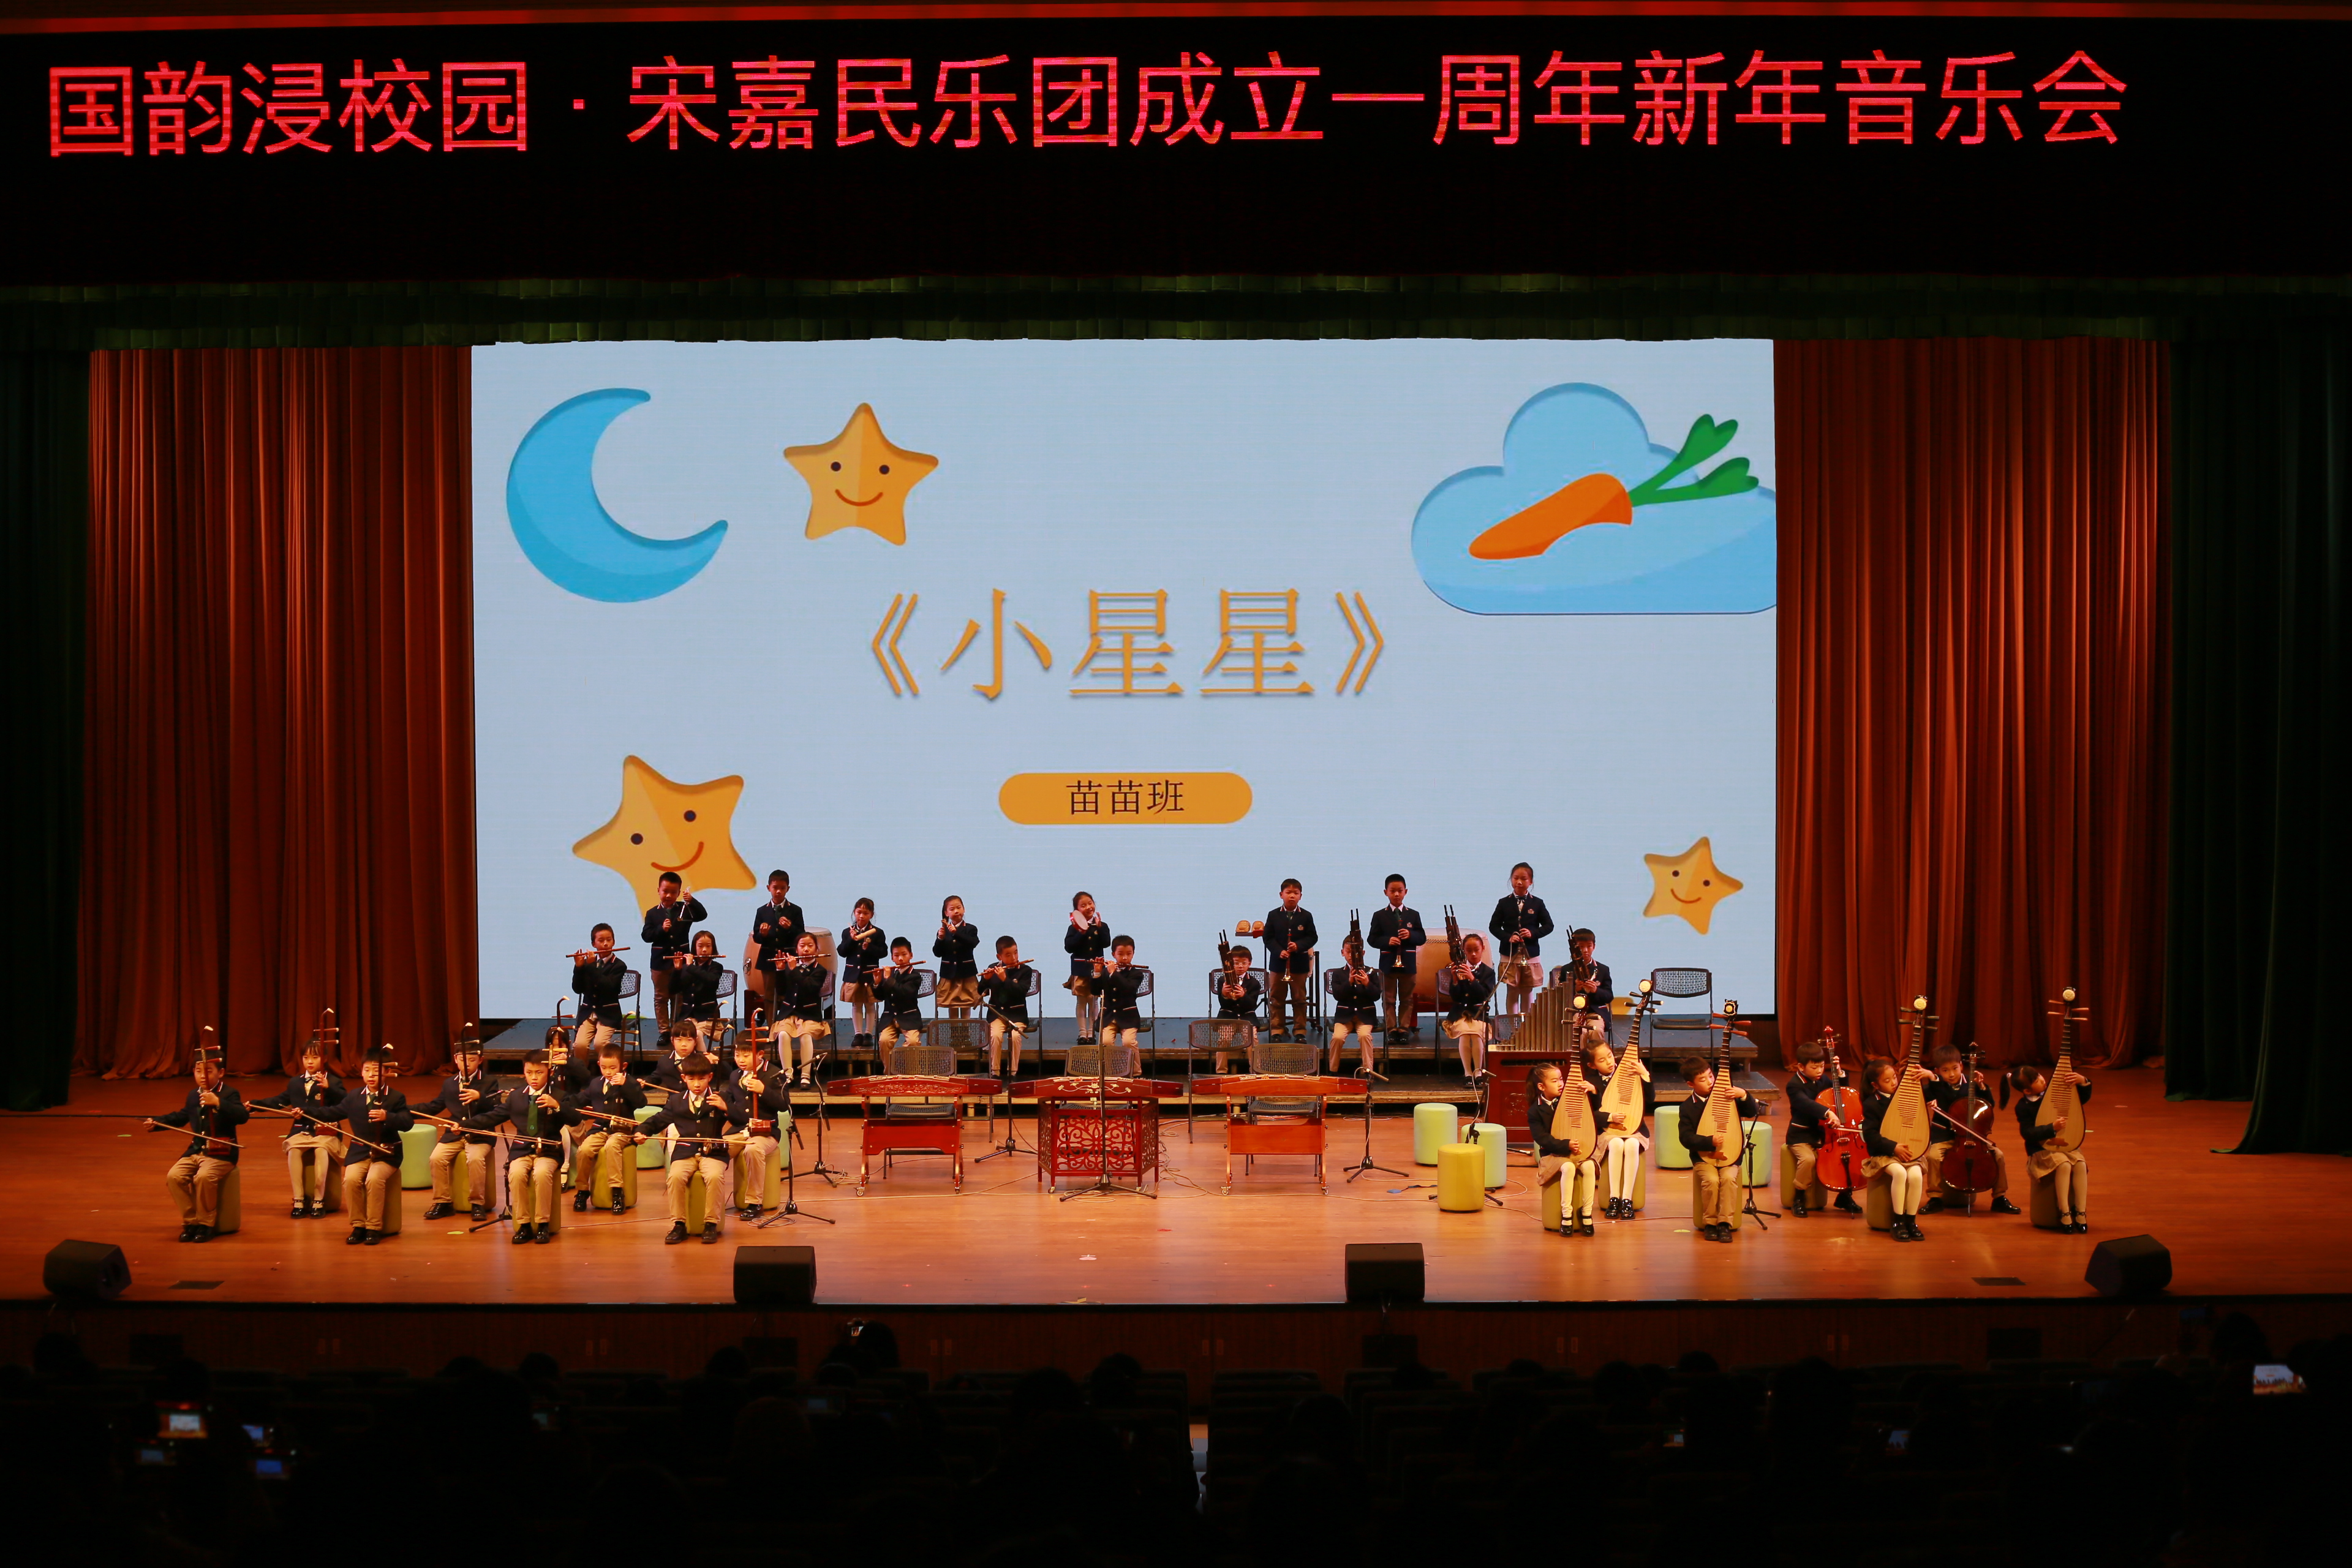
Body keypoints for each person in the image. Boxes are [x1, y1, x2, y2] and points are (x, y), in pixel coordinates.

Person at [474, 1050, 579, 1245]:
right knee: (516, 1174)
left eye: (539, 1073)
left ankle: (543, 1224)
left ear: (549, 1072)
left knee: (541, 1174)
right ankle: (523, 1225)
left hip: (548, 1152)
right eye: (529, 1072)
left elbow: (575, 1119)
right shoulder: (516, 1097)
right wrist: (463, 1125)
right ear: (524, 1072)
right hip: (522, 1151)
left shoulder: (559, 1095)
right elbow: (492, 1117)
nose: (534, 1078)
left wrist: (557, 1106)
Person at [156, 1052, 247, 1242]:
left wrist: (218, 1102)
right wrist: (157, 1123)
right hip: (196, 1150)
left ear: (221, 1073)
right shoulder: (193, 1095)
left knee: (204, 1177)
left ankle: (206, 1224)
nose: (202, 1076)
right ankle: (191, 1222)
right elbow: (182, 1116)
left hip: (221, 1153)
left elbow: (242, 1116)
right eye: (198, 1071)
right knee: (174, 1177)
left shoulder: (229, 1093)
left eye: (208, 1071)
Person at [641, 1052, 731, 1244]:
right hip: (685, 1151)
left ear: (710, 1077)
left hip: (713, 1152)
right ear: (684, 1078)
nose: (697, 1084)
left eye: (702, 1079)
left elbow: (741, 1119)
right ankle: (679, 1225)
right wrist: (641, 1130)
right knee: (674, 1177)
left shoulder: (720, 1098)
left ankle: (711, 1224)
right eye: (692, 1079)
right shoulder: (676, 1101)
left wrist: (726, 1108)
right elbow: (658, 1120)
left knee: (715, 1176)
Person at [1921, 1044, 2020, 1214]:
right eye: (1945, 1071)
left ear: (1961, 1065)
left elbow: (1989, 1106)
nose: (1951, 1074)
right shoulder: (1935, 1086)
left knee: (1998, 1155)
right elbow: (1938, 1097)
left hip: (1974, 1137)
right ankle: (1935, 1198)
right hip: (1944, 1135)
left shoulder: (1972, 1085)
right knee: (1933, 1157)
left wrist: (1982, 1088)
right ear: (1937, 1071)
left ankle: (1999, 1198)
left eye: (1955, 1068)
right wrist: (1933, 1080)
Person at [248, 1045, 344, 1218]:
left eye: (315, 1057)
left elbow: (345, 1104)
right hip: (302, 1131)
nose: (310, 1062)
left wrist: (329, 1087)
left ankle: (319, 1199)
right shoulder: (295, 1082)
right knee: (294, 1150)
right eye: (306, 1057)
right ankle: (299, 1199)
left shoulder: (334, 1081)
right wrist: (254, 1105)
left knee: (321, 1150)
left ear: (324, 1059)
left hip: (326, 1131)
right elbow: (279, 1101)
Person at [329, 1055, 412, 1246]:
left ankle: (373, 1227)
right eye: (367, 1070)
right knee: (351, 1179)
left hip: (387, 1153)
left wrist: (387, 1116)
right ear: (361, 1073)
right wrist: (305, 1113)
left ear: (387, 1073)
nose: (371, 1075)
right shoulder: (354, 1096)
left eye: (377, 1071)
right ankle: (358, 1225)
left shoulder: (396, 1097)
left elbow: (407, 1123)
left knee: (374, 1179)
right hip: (360, 1152)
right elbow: (332, 1112)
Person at [1678, 1054, 1761, 1243]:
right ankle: (1710, 1223)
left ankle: (1725, 1224)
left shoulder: (1728, 1096)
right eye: (1703, 1079)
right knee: (1711, 1180)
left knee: (1729, 1179)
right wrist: (1709, 1141)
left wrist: (1743, 1095)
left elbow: (1752, 1112)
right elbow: (1686, 1138)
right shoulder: (1688, 1107)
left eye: (1711, 1076)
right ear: (1691, 1084)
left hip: (1731, 1155)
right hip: (1703, 1158)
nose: (1710, 1081)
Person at [415, 1040, 497, 1223]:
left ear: (481, 1060)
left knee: (475, 1159)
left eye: (472, 1060)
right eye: (462, 1059)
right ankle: (443, 1202)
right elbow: (434, 1106)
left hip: (480, 1134)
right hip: (454, 1133)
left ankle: (477, 1203)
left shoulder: (489, 1081)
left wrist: (480, 1097)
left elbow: (497, 1107)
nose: (467, 1064)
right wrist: (405, 1110)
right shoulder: (449, 1083)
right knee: (436, 1159)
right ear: (455, 1059)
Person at [1861, 1055, 1936, 1242]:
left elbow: (1933, 1094)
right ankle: (1898, 1221)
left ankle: (1911, 1221)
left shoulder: (1905, 1096)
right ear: (1875, 1085)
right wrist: (1894, 1147)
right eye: (1887, 1081)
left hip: (1909, 1152)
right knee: (1900, 1174)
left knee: (1916, 1176)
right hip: (1885, 1154)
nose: (1894, 1082)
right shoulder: (1871, 1104)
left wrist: (1932, 1077)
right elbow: (1870, 1136)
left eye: (1894, 1077)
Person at [2014, 1061, 2092, 1232]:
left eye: (2039, 1075)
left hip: (2065, 1144)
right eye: (2036, 1080)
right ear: (2027, 1091)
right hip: (2041, 1150)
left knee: (2080, 1164)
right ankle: (2064, 1212)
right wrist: (2052, 1128)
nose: (2042, 1080)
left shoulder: (2054, 1093)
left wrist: (2083, 1081)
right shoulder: (2023, 1106)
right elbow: (2028, 1133)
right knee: (2063, 1165)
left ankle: (2081, 1211)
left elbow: (2081, 1100)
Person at [572, 1041, 648, 1213]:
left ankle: (617, 1192)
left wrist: (626, 1085)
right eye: (604, 1067)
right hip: (600, 1129)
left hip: (623, 1130)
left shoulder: (630, 1082)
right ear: (599, 1064)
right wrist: (559, 1103)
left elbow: (641, 1103)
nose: (608, 1072)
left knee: (612, 1146)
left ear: (623, 1066)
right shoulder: (596, 1084)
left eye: (613, 1068)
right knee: (584, 1150)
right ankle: (582, 1190)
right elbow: (579, 1100)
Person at [723, 1033, 790, 1219]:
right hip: (740, 1130)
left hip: (766, 1132)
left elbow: (785, 1105)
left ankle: (755, 1203)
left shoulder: (775, 1074)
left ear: (760, 1054)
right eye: (737, 1055)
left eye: (746, 1056)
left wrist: (763, 1090)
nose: (740, 1060)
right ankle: (712, 1201)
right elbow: (730, 1102)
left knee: (753, 1150)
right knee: (714, 1150)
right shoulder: (735, 1075)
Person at [1526, 1061, 1596, 1237]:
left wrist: (1593, 1092)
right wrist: (1565, 1145)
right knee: (1568, 1167)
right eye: (1555, 1081)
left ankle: (1586, 1213)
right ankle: (1567, 1214)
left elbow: (1592, 1114)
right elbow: (1542, 1138)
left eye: (1561, 1079)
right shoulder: (1535, 1111)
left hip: (1576, 1151)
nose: (1560, 1084)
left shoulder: (1569, 1101)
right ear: (1541, 1087)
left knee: (1590, 1166)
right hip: (1552, 1155)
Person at [1590, 1038, 1653, 1218]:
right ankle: (1614, 1198)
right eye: (1602, 1060)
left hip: (1635, 1129)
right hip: (1608, 1131)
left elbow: (1649, 1100)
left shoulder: (1630, 1073)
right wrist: (1609, 1117)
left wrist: (1645, 1075)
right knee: (1617, 1144)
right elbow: (1590, 1114)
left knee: (1632, 1144)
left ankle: (1627, 1200)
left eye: (1610, 1056)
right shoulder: (1591, 1082)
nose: (1609, 1062)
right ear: (1592, 1065)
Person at [641, 872, 707, 1035]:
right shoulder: (652, 913)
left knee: (679, 997)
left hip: (681, 961)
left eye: (673, 892)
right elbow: (646, 936)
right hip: (660, 963)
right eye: (665, 891)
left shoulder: (685, 909)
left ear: (679, 893)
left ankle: (677, 1029)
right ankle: (664, 1031)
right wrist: (661, 929)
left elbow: (702, 915)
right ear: (658, 890)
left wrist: (692, 901)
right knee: (661, 997)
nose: (669, 896)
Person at [1781, 1040, 1840, 1219]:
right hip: (1801, 1135)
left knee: (1842, 1156)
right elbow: (1806, 1104)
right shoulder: (1794, 1085)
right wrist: (1828, 1112)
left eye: (1822, 1066)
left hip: (1823, 1134)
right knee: (1808, 1159)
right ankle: (1799, 1197)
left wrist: (1840, 1074)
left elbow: (1837, 1091)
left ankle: (1845, 1196)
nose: (1820, 1071)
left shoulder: (1823, 1079)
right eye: (1815, 1068)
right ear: (1801, 1067)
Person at [1487, 862, 1555, 1016]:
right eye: (1515, 878)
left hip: (1530, 954)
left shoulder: (1537, 903)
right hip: (1509, 953)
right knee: (1512, 989)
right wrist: (1508, 937)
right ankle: (1512, 1024)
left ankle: (1527, 1025)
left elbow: (1549, 926)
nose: (1519, 882)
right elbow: (1494, 927)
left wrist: (1533, 933)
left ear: (1530, 882)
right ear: (1511, 879)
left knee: (1527, 990)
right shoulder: (1503, 903)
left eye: (1524, 879)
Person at [742, 870, 805, 1027]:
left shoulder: (795, 910)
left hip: (788, 959)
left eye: (782, 888)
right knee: (770, 995)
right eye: (775, 888)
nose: (778, 891)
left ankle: (788, 1026)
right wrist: (762, 934)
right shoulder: (762, 911)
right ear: (768, 888)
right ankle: (772, 1027)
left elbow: (801, 936)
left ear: (788, 889)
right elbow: (757, 937)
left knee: (788, 993)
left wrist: (790, 928)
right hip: (768, 959)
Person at [1366, 875, 1422, 1044]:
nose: (1397, 894)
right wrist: (1387, 941)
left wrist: (1410, 935)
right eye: (1393, 891)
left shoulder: (1413, 914)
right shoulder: (1379, 915)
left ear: (1406, 892)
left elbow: (1422, 938)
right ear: (1386, 892)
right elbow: (1372, 939)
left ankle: (1404, 1029)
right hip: (1388, 963)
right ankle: (1391, 1029)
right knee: (1389, 999)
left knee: (1407, 999)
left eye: (1400, 891)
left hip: (1408, 964)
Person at [1261, 880, 1318, 1042]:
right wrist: (1279, 951)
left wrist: (1298, 946)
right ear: (1281, 895)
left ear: (1301, 896)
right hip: (1278, 964)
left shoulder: (1306, 916)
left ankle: (1300, 1031)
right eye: (1288, 893)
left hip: (1299, 965)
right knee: (1276, 999)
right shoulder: (1273, 915)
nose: (1292, 896)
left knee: (1299, 1000)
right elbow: (1268, 937)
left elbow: (1313, 937)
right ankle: (1277, 1030)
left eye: (1296, 893)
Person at [774, 933, 831, 1085]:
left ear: (817, 949)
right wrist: (780, 971)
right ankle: (788, 1074)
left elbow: (809, 989)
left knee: (805, 1035)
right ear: (796, 949)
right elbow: (781, 991)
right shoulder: (790, 967)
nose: (806, 949)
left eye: (810, 946)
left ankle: (806, 1075)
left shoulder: (820, 970)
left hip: (809, 1013)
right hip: (789, 1012)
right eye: (802, 946)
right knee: (783, 1035)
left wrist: (793, 970)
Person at [1551, 929, 1614, 1057]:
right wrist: (1575, 989)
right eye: (1581, 947)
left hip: (1596, 1011)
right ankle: (1580, 1064)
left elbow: (1609, 996)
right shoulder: (1567, 969)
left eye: (1589, 946)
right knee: (1580, 1032)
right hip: (1575, 1011)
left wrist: (1595, 990)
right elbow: (1560, 997)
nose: (1585, 950)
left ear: (1594, 947)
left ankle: (1599, 1061)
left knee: (1596, 1030)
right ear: (1575, 949)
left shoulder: (1603, 969)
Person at [1441, 932, 1496, 1079]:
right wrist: (1455, 980)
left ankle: (1478, 1071)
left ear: (1483, 949)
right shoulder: (1460, 969)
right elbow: (1456, 997)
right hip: (1460, 1013)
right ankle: (1467, 1072)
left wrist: (1472, 979)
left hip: (1478, 1013)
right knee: (1465, 1034)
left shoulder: (1488, 972)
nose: (1473, 954)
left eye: (1476, 950)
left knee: (1477, 1034)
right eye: (1469, 951)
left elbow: (1484, 995)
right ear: (1464, 951)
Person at [570, 924, 629, 1058]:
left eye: (609, 940)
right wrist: (579, 968)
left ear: (614, 942)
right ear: (594, 944)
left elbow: (609, 987)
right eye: (601, 941)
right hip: (588, 1013)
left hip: (608, 1014)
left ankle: (609, 1069)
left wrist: (591, 967)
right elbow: (577, 989)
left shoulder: (619, 965)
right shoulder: (588, 963)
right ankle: (581, 1070)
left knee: (600, 1044)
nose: (606, 944)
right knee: (579, 1045)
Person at [980, 936, 1035, 1078]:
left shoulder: (1025, 970)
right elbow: (980, 992)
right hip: (997, 1014)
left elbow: (1021, 992)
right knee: (995, 1036)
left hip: (1017, 1014)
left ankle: (1013, 1072)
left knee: (1016, 1036)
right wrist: (985, 980)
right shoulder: (993, 968)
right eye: (1008, 955)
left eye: (1016, 953)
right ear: (999, 957)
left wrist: (1005, 979)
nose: (1014, 958)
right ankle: (995, 1072)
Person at [1064, 891, 1112, 1043]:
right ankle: (1082, 1033)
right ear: (1077, 911)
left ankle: (1092, 1033)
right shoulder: (1073, 928)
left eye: (1090, 903)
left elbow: (1107, 943)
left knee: (1094, 1001)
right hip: (1080, 969)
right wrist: (1082, 932)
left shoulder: (1102, 925)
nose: (1088, 907)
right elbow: (1069, 947)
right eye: (1083, 905)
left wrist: (1100, 928)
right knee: (1081, 1001)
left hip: (1096, 970)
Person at [838, 899, 886, 1050]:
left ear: (871, 914)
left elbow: (883, 952)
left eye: (866, 913)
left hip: (870, 974)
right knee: (856, 1004)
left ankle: (868, 1034)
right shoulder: (847, 932)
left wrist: (869, 948)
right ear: (854, 912)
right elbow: (842, 952)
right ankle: (858, 1034)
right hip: (853, 974)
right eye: (859, 912)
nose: (862, 916)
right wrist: (852, 940)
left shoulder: (877, 933)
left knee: (870, 1004)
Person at [671, 931, 729, 1050]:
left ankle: (703, 1060)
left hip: (708, 1016)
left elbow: (711, 982)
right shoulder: (686, 967)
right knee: (684, 1034)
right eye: (700, 946)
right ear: (694, 948)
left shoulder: (716, 967)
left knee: (696, 1034)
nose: (704, 950)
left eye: (708, 946)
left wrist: (691, 967)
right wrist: (677, 971)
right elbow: (673, 989)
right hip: (687, 1016)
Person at [1212, 941, 1262, 1074]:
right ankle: (1221, 1072)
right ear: (1230, 964)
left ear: (1249, 964)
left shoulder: (1254, 983)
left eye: (1244, 963)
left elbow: (1252, 1005)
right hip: (1228, 1017)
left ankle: (1255, 1071)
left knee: (1252, 1038)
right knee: (1224, 1039)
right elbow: (1223, 1004)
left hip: (1247, 1017)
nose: (1240, 966)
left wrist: (1244, 996)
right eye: (1236, 963)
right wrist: (1224, 994)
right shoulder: (1223, 980)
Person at [873, 938, 927, 1060]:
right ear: (892, 958)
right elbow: (880, 996)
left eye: (904, 955)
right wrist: (877, 983)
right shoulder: (890, 973)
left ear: (911, 955)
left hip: (909, 1017)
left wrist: (888, 980)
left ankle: (908, 1070)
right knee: (884, 1041)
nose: (901, 959)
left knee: (913, 1042)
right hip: (890, 1018)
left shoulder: (915, 976)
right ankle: (889, 1070)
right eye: (897, 956)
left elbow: (904, 993)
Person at [650, 1019, 735, 1094]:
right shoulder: (665, 1061)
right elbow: (655, 1079)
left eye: (689, 1040)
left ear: (695, 1041)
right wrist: (644, 1083)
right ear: (672, 1041)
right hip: (674, 1104)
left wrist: (717, 1061)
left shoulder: (703, 1058)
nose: (684, 1044)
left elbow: (729, 1075)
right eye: (679, 1040)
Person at [1096, 937, 1147, 1058]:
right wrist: (1098, 973)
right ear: (1113, 954)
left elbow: (1128, 989)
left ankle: (1134, 1069)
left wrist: (1114, 973)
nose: (1125, 958)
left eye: (1129, 954)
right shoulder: (1105, 972)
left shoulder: (1136, 974)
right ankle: (1110, 1069)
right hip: (1109, 1016)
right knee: (1106, 1042)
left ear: (1133, 954)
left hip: (1128, 1017)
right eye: (1120, 954)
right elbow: (1095, 991)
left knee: (1129, 1042)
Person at [933, 895, 981, 1019]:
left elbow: (973, 943)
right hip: (949, 974)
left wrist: (956, 933)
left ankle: (966, 1031)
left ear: (964, 909)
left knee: (966, 1004)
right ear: (946, 913)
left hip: (967, 973)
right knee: (952, 1005)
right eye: (952, 909)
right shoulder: (943, 930)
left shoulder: (971, 928)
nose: (956, 911)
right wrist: (940, 939)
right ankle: (954, 1031)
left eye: (959, 908)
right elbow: (937, 953)